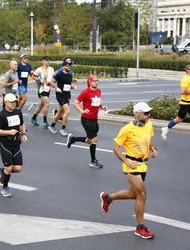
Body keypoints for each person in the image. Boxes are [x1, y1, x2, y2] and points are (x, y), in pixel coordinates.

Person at [100, 102, 157, 239]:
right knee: (141, 195)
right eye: (145, 113)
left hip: (143, 165)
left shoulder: (148, 124)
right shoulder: (127, 129)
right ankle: (140, 227)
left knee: (133, 194)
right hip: (131, 165)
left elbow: (148, 139)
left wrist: (152, 149)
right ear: (136, 113)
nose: (148, 115)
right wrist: (125, 161)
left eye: (149, 112)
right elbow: (116, 148)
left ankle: (108, 198)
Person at [66, 74, 106, 168]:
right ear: (90, 82)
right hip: (86, 119)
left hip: (94, 119)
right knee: (94, 140)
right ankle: (93, 161)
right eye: (94, 80)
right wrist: (82, 111)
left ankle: (73, 139)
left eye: (97, 80)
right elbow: (75, 103)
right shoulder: (85, 92)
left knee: (89, 140)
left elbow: (97, 100)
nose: (96, 82)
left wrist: (102, 106)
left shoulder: (98, 91)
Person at [0, 93, 28, 198]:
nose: (14, 104)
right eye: (11, 102)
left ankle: (1, 170)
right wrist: (8, 132)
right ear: (6, 102)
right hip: (5, 144)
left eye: (15, 102)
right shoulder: (2, 115)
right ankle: (5, 187)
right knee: (9, 167)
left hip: (16, 143)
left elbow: (22, 124)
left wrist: (24, 134)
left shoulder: (18, 112)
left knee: (18, 168)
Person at [48, 59, 76, 136]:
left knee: (60, 112)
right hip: (60, 95)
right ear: (63, 66)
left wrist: (72, 86)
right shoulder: (59, 74)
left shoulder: (70, 75)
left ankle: (52, 126)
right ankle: (63, 128)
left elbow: (67, 85)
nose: (69, 67)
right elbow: (52, 82)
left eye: (70, 65)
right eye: (67, 65)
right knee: (67, 111)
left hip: (66, 95)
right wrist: (56, 88)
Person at [161, 65, 190, 140]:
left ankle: (166, 128)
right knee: (179, 119)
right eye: (189, 69)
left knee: (179, 119)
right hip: (185, 103)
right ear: (186, 70)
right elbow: (183, 92)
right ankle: (166, 128)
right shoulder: (185, 79)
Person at [30, 56, 55, 128]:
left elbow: (52, 78)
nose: (48, 62)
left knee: (41, 105)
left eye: (49, 60)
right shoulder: (39, 69)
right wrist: (38, 80)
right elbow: (33, 76)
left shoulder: (51, 69)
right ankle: (45, 121)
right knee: (47, 103)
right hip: (41, 89)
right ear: (43, 61)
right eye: (46, 60)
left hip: (48, 89)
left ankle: (33, 118)